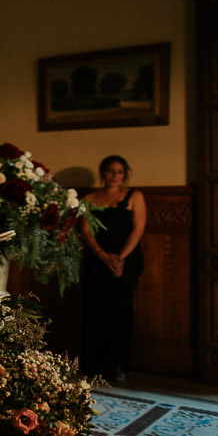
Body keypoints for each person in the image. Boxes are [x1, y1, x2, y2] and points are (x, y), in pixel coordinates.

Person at [79, 155, 146, 383]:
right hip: (97, 261)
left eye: (119, 171)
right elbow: (86, 231)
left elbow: (138, 229)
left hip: (125, 263)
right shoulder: (89, 198)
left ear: (124, 173)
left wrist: (120, 259)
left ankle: (118, 365)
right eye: (110, 171)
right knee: (95, 310)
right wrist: (103, 256)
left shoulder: (134, 196)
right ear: (103, 173)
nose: (115, 175)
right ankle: (93, 364)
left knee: (120, 312)